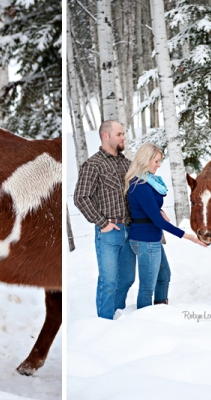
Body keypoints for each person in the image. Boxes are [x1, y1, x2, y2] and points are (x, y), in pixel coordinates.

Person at [125, 143, 207, 309]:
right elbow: (158, 221)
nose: (159, 165)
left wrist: (159, 209)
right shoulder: (140, 185)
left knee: (164, 276)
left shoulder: (147, 181)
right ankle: (143, 322)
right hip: (145, 240)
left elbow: (149, 208)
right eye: (156, 161)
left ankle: (161, 310)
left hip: (151, 239)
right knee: (147, 287)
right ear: (146, 160)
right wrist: (188, 236)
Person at [74, 120, 136, 320]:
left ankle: (117, 315)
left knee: (127, 279)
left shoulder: (127, 164)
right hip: (109, 231)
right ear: (105, 136)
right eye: (119, 134)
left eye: (123, 133)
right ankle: (104, 323)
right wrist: (102, 223)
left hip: (130, 229)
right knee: (108, 281)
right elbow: (80, 197)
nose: (123, 137)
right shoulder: (93, 164)